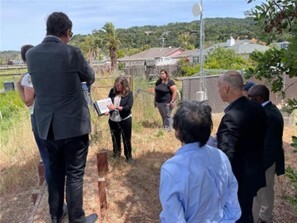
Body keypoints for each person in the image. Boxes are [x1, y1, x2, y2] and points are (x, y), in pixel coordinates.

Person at [26, 12, 97, 223]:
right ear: (67, 32)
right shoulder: (71, 52)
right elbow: (89, 76)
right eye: (70, 34)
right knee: (74, 175)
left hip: (46, 126)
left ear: (47, 30)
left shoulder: (31, 55)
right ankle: (77, 219)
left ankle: (55, 216)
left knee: (55, 174)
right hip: (73, 126)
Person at [159, 100, 241, 223]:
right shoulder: (221, 157)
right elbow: (232, 206)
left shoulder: (171, 169)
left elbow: (174, 218)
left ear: (178, 132)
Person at [216, 70, 267, 223]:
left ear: (225, 88)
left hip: (238, 180)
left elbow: (226, 155)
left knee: (237, 217)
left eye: (218, 87)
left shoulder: (231, 116)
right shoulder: (257, 108)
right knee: (247, 213)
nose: (218, 90)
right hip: (254, 173)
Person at [248, 85, 285, 223]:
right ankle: (266, 217)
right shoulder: (270, 110)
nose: (248, 100)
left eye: (250, 98)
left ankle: (256, 218)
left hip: (265, 161)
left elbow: (268, 144)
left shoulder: (268, 115)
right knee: (267, 190)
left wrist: (258, 165)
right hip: (269, 160)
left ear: (258, 98)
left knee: (257, 193)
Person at [16, 44, 51, 184]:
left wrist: (18, 86)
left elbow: (28, 101)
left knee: (46, 156)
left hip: (38, 117)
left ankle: (54, 193)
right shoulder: (47, 71)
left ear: (24, 59)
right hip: (52, 114)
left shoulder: (29, 76)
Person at [107, 75, 135, 164]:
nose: (117, 87)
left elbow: (128, 108)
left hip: (125, 119)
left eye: (119, 85)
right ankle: (116, 153)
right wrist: (107, 110)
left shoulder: (129, 93)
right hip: (113, 119)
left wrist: (115, 107)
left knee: (126, 139)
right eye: (116, 85)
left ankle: (128, 156)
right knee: (115, 137)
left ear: (124, 85)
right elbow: (108, 103)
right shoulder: (112, 91)